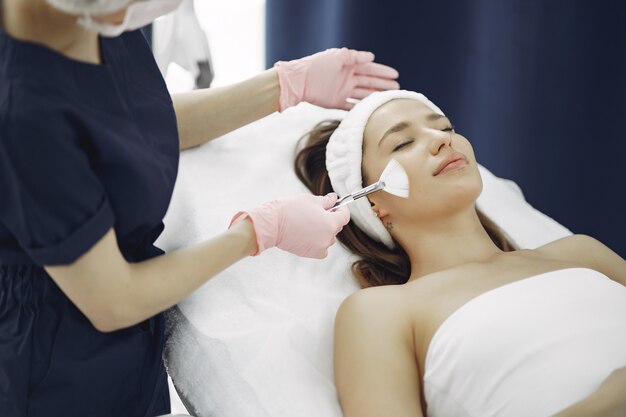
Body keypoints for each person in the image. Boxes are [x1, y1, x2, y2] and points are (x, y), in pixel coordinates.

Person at [0, 0, 402, 415]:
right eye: (402, 141)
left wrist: (285, 84)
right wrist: (259, 232)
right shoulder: (24, 113)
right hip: (53, 368)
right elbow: (114, 300)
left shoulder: (87, 23)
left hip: (118, 351)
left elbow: (133, 122)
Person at [294, 90, 626, 416]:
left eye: (444, 127)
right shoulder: (383, 311)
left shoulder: (581, 253)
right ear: (373, 202)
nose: (442, 140)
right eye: (403, 143)